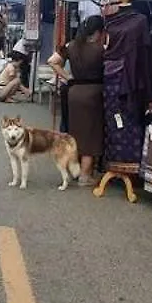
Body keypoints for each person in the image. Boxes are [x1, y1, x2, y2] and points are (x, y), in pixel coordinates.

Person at [48, 15, 107, 183]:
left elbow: (52, 61)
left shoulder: (71, 46)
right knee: (91, 135)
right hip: (94, 94)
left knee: (76, 133)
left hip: (74, 93)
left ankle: (74, 169)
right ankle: (85, 175)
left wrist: (68, 77)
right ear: (98, 32)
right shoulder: (102, 49)